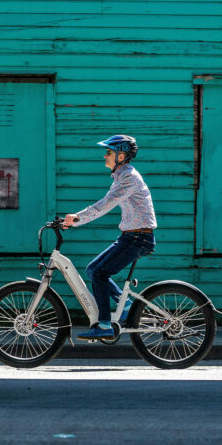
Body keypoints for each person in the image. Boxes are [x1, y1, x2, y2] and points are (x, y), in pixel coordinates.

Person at [63, 135, 157, 341]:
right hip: (131, 236)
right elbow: (106, 202)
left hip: (139, 238)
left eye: (109, 152)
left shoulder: (129, 178)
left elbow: (106, 204)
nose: (105, 156)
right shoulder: (121, 176)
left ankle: (105, 325)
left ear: (121, 156)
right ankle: (127, 307)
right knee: (92, 269)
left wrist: (77, 218)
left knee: (99, 273)